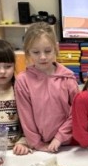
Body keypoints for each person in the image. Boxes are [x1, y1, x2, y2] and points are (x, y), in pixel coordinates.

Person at [14, 23, 77, 152]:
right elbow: (26, 117)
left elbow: (76, 112)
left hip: (69, 144)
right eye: (36, 52)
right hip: (39, 147)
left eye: (47, 51)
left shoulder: (68, 78)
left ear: (56, 48)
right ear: (28, 52)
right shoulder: (23, 81)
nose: (43, 57)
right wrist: (37, 144)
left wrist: (60, 137)